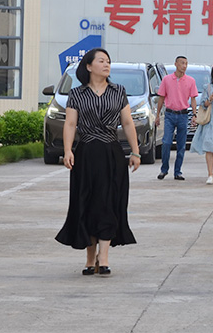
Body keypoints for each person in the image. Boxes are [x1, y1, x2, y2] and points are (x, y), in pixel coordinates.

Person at [55, 48, 140, 275]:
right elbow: (70, 124)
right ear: (89, 66)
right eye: (101, 61)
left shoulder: (118, 91)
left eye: (108, 61)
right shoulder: (77, 94)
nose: (106, 65)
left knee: (109, 203)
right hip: (86, 154)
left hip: (112, 153)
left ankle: (104, 257)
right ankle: (89, 257)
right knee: (87, 203)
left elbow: (127, 123)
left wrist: (135, 152)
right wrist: (68, 150)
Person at [155, 56, 198, 180]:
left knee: (181, 145)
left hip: (183, 115)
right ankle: (164, 169)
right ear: (176, 64)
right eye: (182, 63)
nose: (184, 66)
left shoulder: (190, 81)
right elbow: (161, 98)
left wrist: (194, 115)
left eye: (186, 63)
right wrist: (157, 115)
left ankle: (178, 171)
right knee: (166, 142)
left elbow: (193, 99)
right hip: (169, 115)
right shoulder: (167, 80)